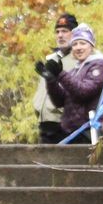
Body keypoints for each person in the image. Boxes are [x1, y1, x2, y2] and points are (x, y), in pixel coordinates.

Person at [44, 24, 103, 144]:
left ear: (91, 45)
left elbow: (84, 91)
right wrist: (51, 80)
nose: (78, 47)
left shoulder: (100, 65)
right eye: (74, 44)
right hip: (74, 130)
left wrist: (60, 74)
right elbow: (60, 101)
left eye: (82, 43)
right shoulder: (75, 70)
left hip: (92, 129)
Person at [32, 13, 81, 143]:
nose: (60, 35)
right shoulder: (51, 59)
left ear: (75, 34)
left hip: (66, 126)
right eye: (57, 31)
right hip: (45, 125)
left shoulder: (80, 60)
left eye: (65, 31)